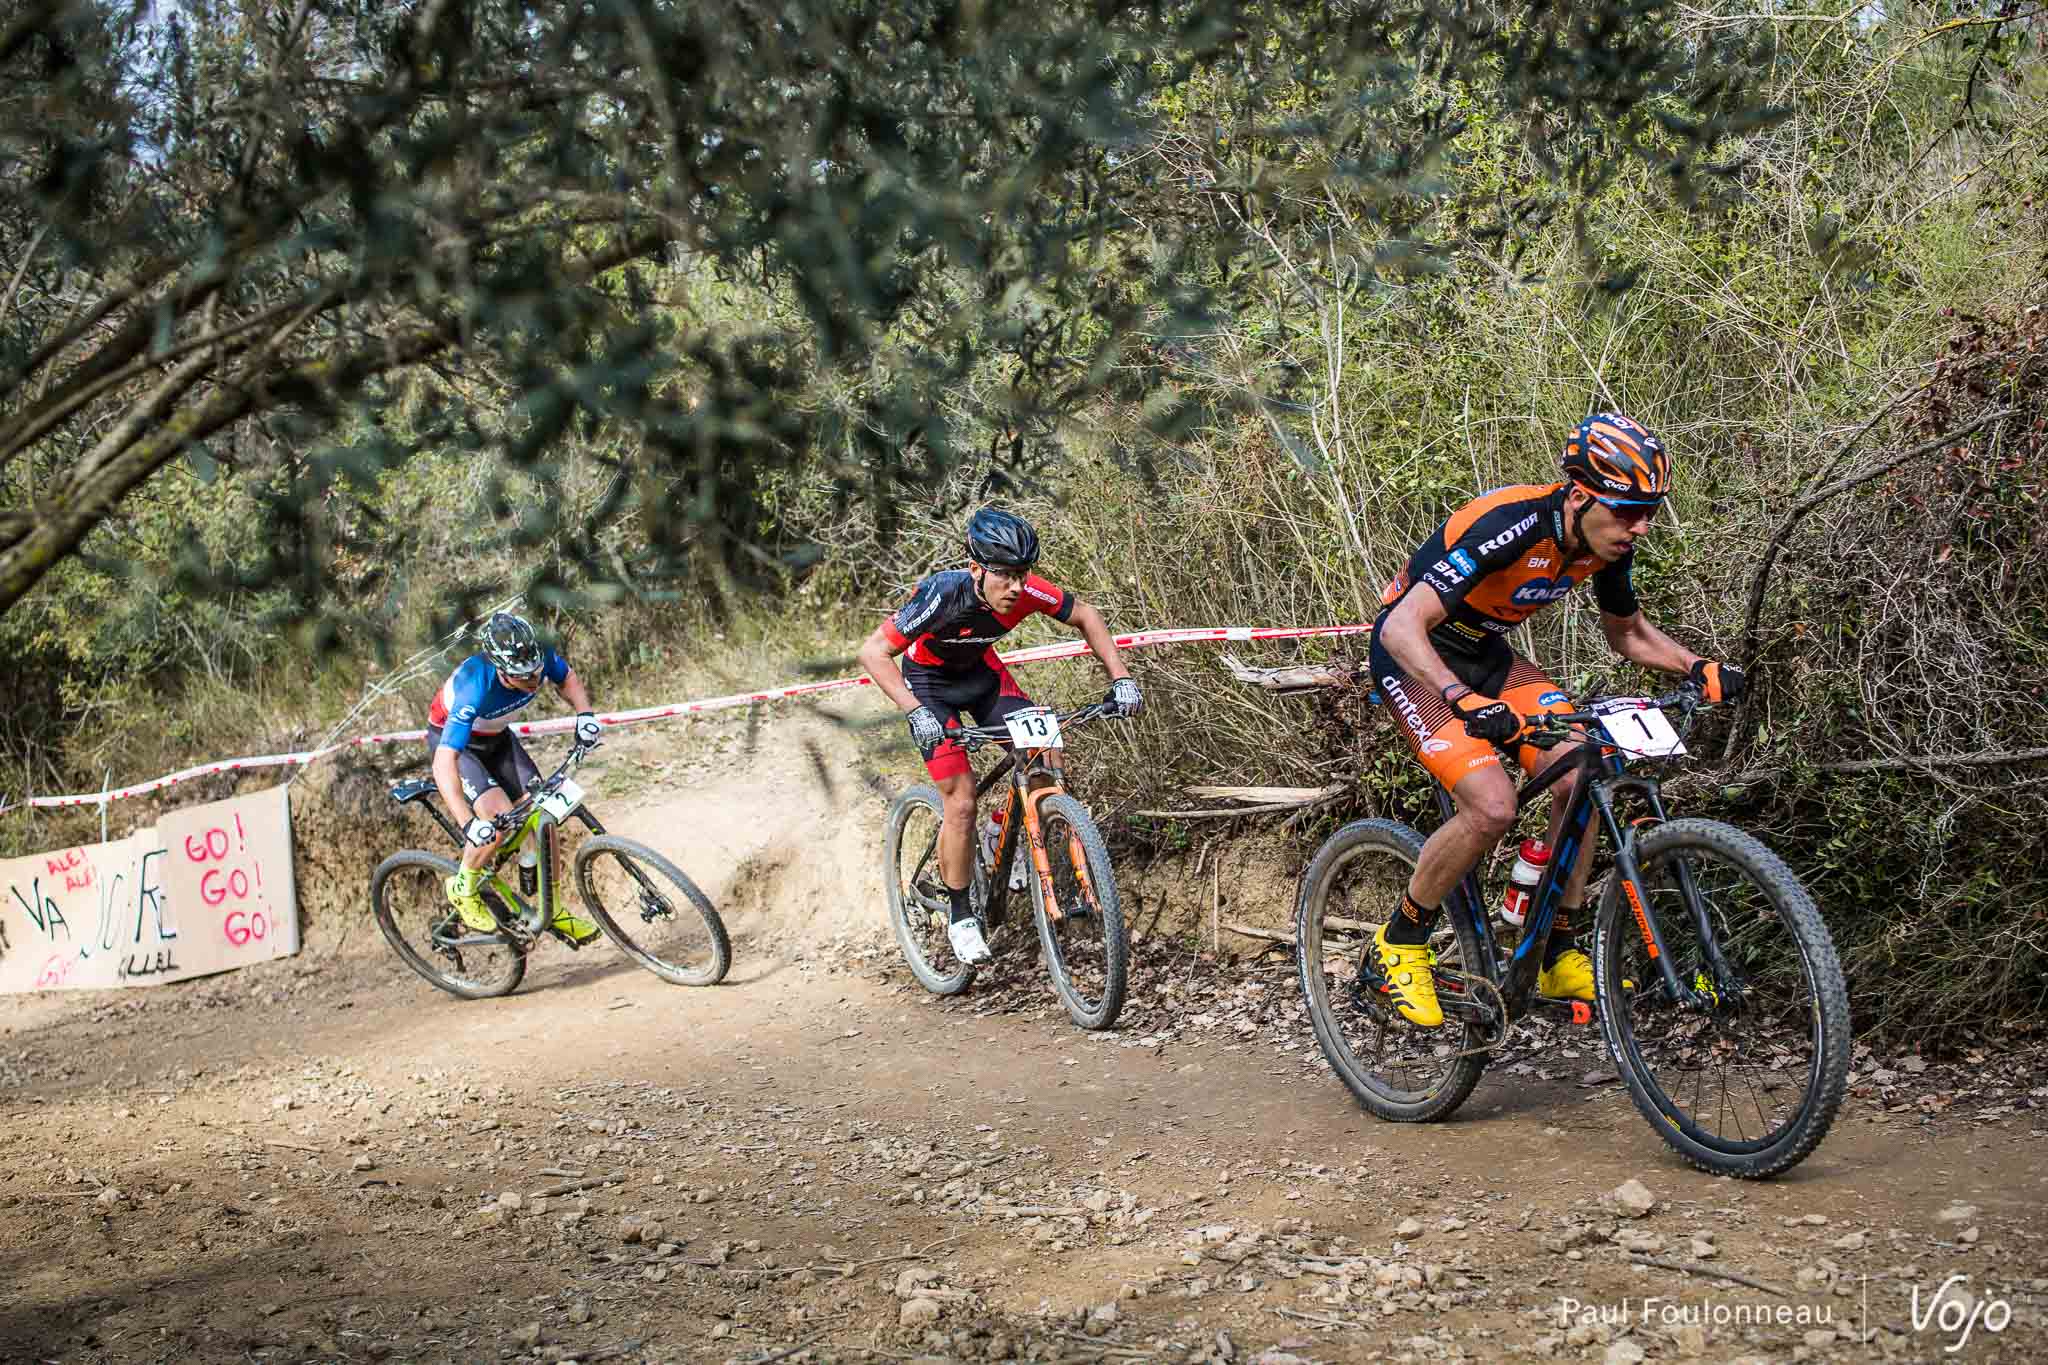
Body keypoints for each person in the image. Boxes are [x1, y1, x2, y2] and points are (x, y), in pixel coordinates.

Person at [1368, 413, 1745, 1026]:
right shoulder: (1511, 525)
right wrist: (1461, 699)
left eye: (1649, 512)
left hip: (1488, 656)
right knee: (1493, 807)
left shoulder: (1606, 544)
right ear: (1578, 496)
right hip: (1415, 657)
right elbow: (1401, 626)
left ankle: (1557, 950)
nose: (1640, 527)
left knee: (1582, 771)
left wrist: (1696, 666)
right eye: (1628, 511)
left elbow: (1627, 633)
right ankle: (1401, 941)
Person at [857, 507, 1142, 966]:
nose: (1015, 586)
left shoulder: (1028, 590)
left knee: (1044, 753)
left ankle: (999, 835)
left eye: (1022, 574)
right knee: (961, 800)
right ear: (976, 569)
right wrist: (915, 712)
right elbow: (873, 652)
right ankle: (960, 915)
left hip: (982, 676)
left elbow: (1086, 614)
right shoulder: (942, 593)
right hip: (930, 687)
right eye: (1004, 575)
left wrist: (1121, 678)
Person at [427, 611, 606, 943]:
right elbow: (443, 762)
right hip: (460, 748)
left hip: (497, 739)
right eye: (524, 678)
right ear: (500, 669)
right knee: (498, 823)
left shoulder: (535, 654)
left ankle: (552, 909)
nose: (534, 681)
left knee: (544, 814)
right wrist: (468, 824)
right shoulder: (474, 687)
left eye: (537, 672)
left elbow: (566, 677)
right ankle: (462, 887)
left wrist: (585, 715)